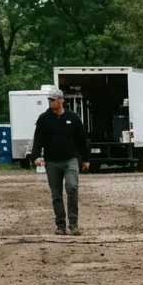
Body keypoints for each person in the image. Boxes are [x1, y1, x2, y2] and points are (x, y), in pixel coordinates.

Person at [30, 89, 89, 235]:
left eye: (53, 100)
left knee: (72, 187)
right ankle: (60, 224)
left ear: (61, 101)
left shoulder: (73, 118)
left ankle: (73, 224)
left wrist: (86, 158)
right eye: (49, 100)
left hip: (71, 159)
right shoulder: (44, 119)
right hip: (52, 161)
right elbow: (38, 139)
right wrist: (35, 156)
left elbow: (82, 139)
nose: (50, 102)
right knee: (56, 194)